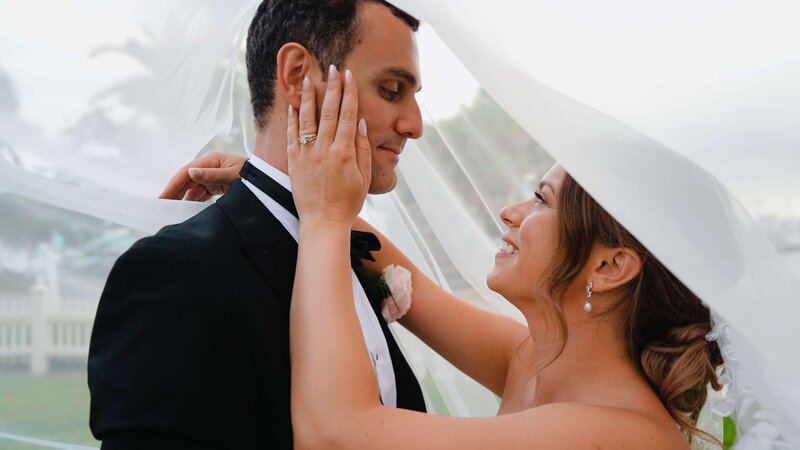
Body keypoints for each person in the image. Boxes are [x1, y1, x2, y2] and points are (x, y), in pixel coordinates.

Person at [176, 70, 725, 448]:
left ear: (611, 267)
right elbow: (397, 276)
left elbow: (337, 435)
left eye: (541, 200)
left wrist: (322, 216)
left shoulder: (624, 434)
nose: (510, 213)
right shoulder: (531, 359)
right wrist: (269, 185)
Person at [88, 2, 425, 449]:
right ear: (297, 75)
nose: (415, 125)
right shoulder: (176, 275)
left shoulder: (351, 249)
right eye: (391, 89)